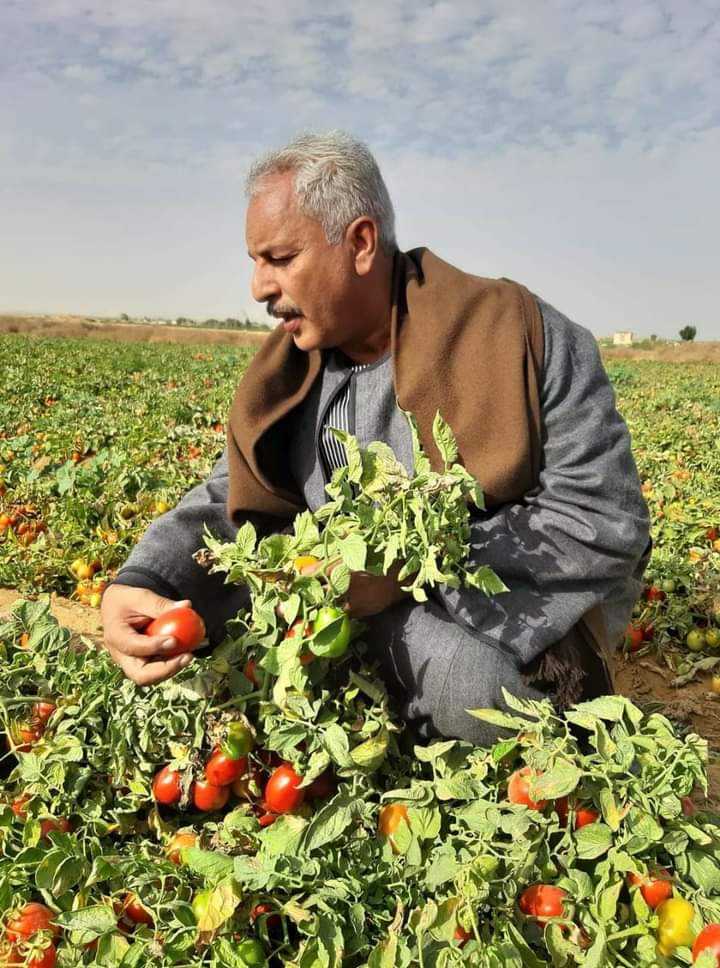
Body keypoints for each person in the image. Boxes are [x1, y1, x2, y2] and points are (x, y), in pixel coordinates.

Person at [101, 131, 651, 745]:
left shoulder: (523, 337)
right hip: (345, 604)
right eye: (254, 261)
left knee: (481, 691)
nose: (258, 288)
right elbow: (236, 493)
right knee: (197, 623)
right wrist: (148, 579)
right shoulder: (291, 375)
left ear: (360, 243)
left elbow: (600, 521)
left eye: (279, 259)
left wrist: (404, 574)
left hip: (494, 623)